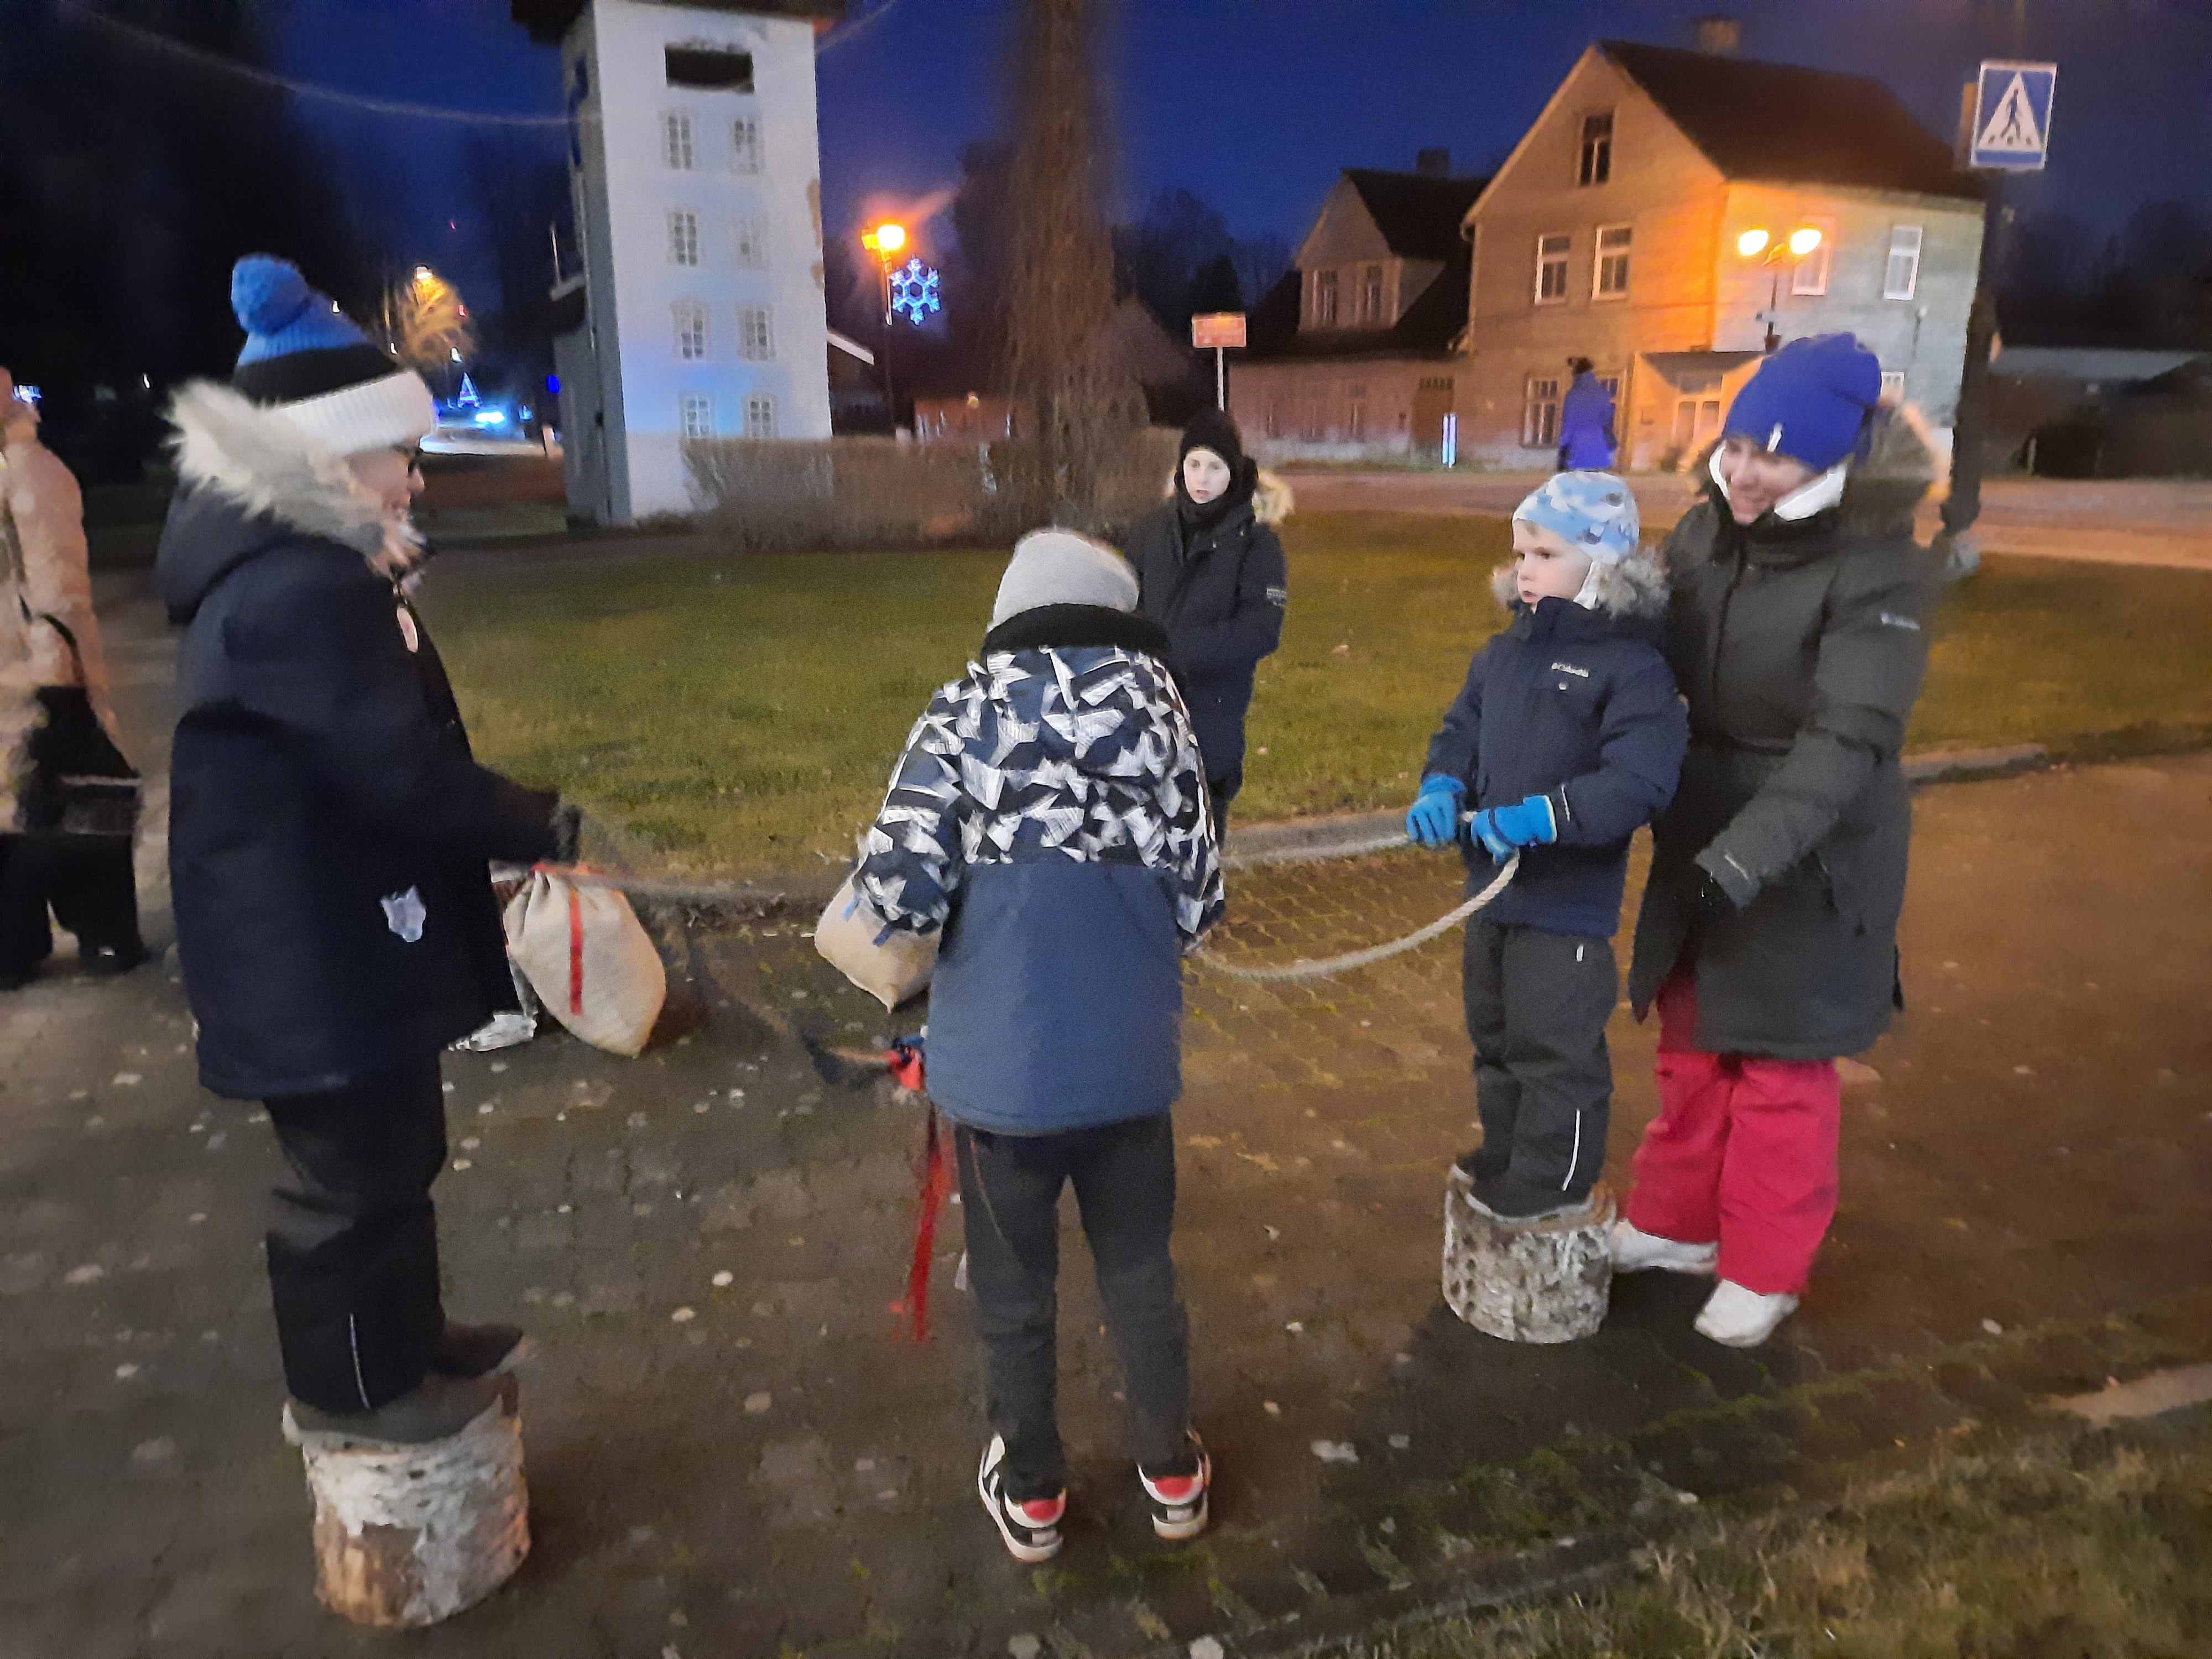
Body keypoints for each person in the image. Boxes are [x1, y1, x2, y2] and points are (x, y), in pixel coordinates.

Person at [157, 256, 580, 1442]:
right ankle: (356, 1391)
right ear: (333, 453)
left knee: (397, 1152)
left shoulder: (305, 563)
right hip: (304, 952)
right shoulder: (296, 585)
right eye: (400, 452)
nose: (415, 475)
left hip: (332, 935)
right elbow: (394, 766)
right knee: (346, 1183)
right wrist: (537, 823)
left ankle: (405, 1338)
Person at [853, 529, 1224, 1562]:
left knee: (1014, 1292)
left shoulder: (965, 710)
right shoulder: (1162, 713)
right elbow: (1201, 899)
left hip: (1001, 1080)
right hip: (1128, 1066)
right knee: (1141, 1270)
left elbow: (898, 892)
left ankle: (1034, 1494)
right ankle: (1172, 1473)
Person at [1614, 333, 1935, 1348]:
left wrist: (1749, 856)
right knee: (1692, 1047)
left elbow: (1850, 737)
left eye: (1778, 457)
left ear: (1833, 461)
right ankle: (1676, 1224)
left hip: (1812, 847)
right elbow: (1650, 649)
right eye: (1740, 446)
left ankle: (1764, 1266)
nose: (1747, 473)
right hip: (1703, 825)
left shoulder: (1877, 568)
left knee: (1779, 1074)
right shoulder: (1706, 533)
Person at [1406, 473, 1686, 1221]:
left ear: (1602, 564)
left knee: (1552, 1044)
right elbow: (1460, 732)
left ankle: (1553, 1176)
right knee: (1495, 1031)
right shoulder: (1502, 656)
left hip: (1566, 907)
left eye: (1546, 554)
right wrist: (1441, 786)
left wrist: (1545, 817)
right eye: (1521, 553)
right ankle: (1507, 1148)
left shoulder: (1632, 669)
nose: (1525, 569)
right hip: (1492, 891)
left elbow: (1636, 781)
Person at [0, 368, 146, 986]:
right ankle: (35, 944)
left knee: (66, 793)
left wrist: (59, 674)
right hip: (21, 669)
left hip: (35, 670)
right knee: (35, 806)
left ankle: (94, 937)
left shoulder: (30, 474)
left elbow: (56, 585)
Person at [1124, 408, 1290, 829]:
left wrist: (1173, 651)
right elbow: (1123, 603)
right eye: (1194, 464)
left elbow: (1259, 630)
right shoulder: (1151, 530)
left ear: (1233, 472)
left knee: (1201, 845)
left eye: (1215, 467)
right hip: (1142, 715)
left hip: (1210, 721)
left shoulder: (1256, 543)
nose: (1202, 479)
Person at [1558, 358, 1616, 472]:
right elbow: (1607, 422)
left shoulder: (1574, 394)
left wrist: (1564, 448)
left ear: (1576, 373)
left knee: (1575, 481)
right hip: (1600, 449)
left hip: (1578, 451)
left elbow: (1569, 423)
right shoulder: (1603, 393)